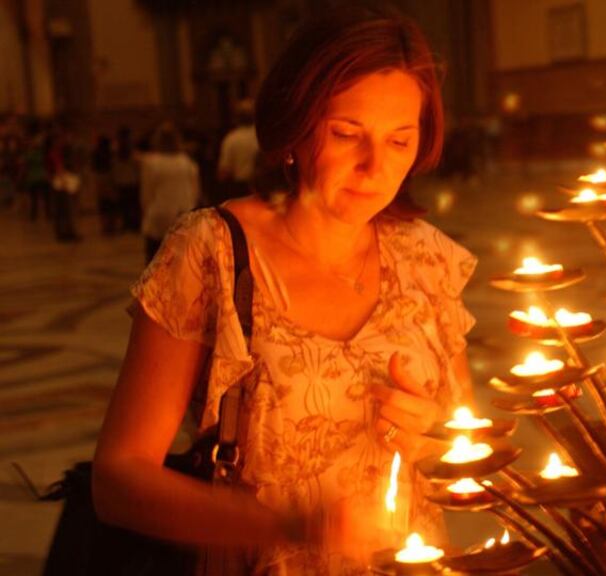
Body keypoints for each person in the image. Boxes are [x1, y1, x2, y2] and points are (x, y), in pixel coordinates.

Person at [92, 7, 475, 575]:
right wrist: (293, 526)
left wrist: (432, 436)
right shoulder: (212, 253)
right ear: (294, 126)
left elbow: (459, 436)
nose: (374, 168)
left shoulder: (427, 258)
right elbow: (118, 479)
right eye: (347, 134)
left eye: (400, 141)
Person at [139, 123, 200, 262]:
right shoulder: (187, 162)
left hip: (159, 216)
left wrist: (145, 213)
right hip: (183, 215)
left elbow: (146, 195)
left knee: (155, 263)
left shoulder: (151, 163)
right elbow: (195, 192)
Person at [216, 98, 260, 204]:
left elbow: (223, 172)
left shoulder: (231, 139)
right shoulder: (261, 137)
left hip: (240, 190)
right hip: (262, 189)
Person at [113, 126, 141, 232]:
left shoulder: (117, 152)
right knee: (132, 205)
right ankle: (133, 224)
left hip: (123, 181)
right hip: (132, 181)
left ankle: (127, 224)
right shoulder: (132, 152)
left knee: (125, 205)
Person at [92, 135, 118, 235]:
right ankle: (111, 226)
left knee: (103, 204)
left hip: (99, 179)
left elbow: (93, 166)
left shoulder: (96, 153)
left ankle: (105, 226)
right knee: (111, 204)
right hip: (109, 178)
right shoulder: (110, 154)